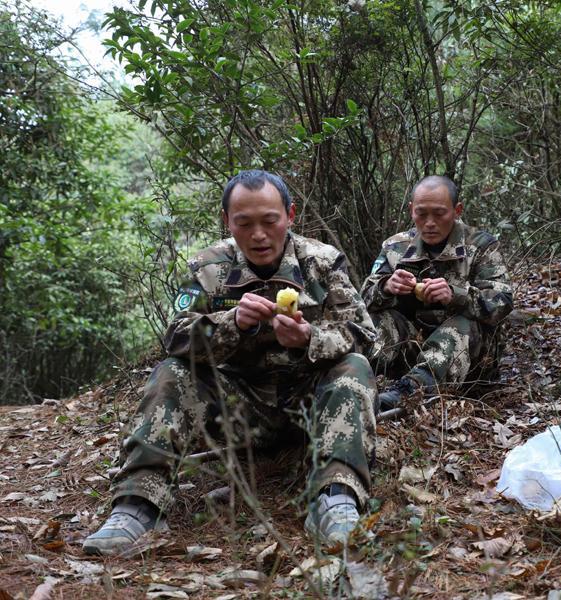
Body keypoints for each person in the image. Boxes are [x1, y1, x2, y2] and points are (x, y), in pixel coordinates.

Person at [83, 170, 377, 555]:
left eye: (270, 221)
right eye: (244, 223)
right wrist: (231, 323)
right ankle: (138, 506)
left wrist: (311, 339)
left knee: (353, 366)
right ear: (227, 221)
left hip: (312, 408)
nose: (258, 235)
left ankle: (335, 499)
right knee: (171, 373)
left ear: (290, 214)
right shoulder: (206, 268)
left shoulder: (321, 262)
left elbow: (366, 337)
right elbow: (174, 338)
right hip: (238, 412)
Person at [361, 175, 513, 412]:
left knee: (462, 323)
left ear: (456, 210)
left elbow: (502, 304)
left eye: (439, 213)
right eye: (421, 214)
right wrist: (386, 288)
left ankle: (409, 392)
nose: (430, 223)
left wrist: (457, 296)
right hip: (412, 346)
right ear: (411, 210)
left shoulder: (481, 246)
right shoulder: (395, 247)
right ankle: (353, 380)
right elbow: (361, 301)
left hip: (470, 355)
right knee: (375, 321)